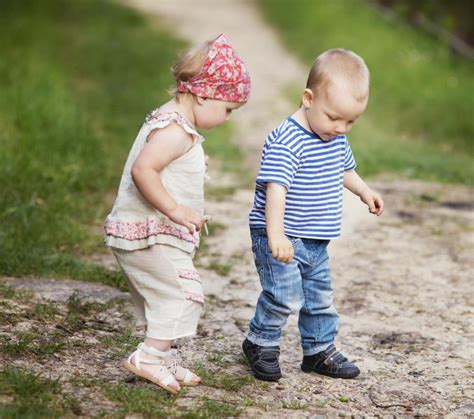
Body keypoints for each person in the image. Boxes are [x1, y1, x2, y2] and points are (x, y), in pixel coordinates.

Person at [104, 34, 250, 394]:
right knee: (182, 292)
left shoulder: (173, 121)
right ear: (203, 94)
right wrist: (174, 208)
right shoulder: (175, 132)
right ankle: (149, 357)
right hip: (145, 232)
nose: (228, 118)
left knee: (173, 291)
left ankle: (162, 356)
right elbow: (143, 171)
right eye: (228, 108)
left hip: (151, 231)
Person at [242, 48, 383, 382]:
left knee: (320, 298)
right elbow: (277, 190)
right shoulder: (288, 140)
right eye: (335, 117)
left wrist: (364, 191)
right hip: (280, 235)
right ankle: (259, 342)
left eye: (351, 121)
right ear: (308, 98)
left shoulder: (332, 137)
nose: (342, 128)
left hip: (315, 239)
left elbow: (344, 169)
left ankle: (319, 349)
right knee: (283, 295)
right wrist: (276, 236)